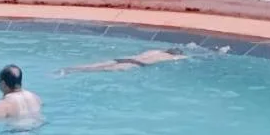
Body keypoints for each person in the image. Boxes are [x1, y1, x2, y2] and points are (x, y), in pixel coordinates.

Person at [58, 48, 187, 75]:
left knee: (91, 66)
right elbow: (184, 58)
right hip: (133, 64)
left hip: (124, 58)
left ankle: (67, 69)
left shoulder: (155, 51)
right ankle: (70, 73)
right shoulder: (171, 57)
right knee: (102, 70)